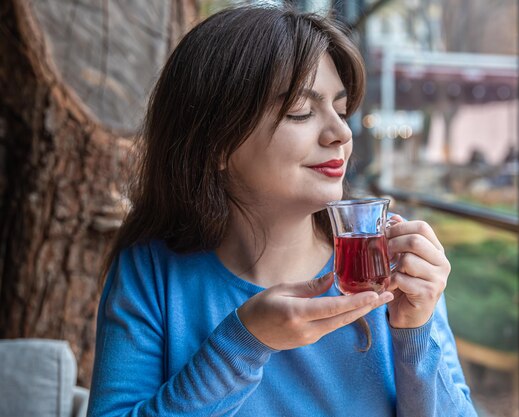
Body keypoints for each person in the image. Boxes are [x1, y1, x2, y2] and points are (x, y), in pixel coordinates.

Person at [87, 4, 477, 417]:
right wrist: (244, 342)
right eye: (300, 112)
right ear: (216, 143)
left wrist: (415, 332)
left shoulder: (386, 267)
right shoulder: (152, 270)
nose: (341, 133)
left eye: (341, 111)